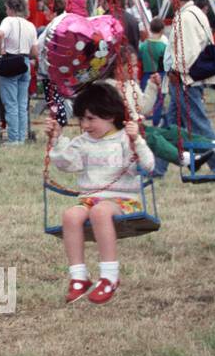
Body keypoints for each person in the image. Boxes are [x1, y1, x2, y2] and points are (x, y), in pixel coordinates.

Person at [43, 82, 155, 305]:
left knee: (100, 212)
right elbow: (66, 164)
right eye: (82, 119)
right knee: (70, 216)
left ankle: (110, 277)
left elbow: (149, 165)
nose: (85, 125)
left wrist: (137, 141)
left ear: (111, 116)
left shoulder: (125, 139)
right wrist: (56, 139)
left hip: (124, 200)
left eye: (91, 119)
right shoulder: (82, 143)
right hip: (91, 199)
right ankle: (78, 277)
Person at [154, 0, 215, 177]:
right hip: (187, 80)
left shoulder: (185, 17)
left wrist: (175, 71)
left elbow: (187, 51)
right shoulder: (196, 12)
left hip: (184, 80)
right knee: (169, 128)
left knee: (199, 126)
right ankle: (156, 168)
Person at [0, 0, 38, 144]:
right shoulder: (30, 25)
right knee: (22, 104)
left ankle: (14, 139)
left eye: (7, 8)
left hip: (10, 62)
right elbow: (34, 52)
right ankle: (21, 136)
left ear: (12, 9)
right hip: (25, 62)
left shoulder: (8, 21)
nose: (6, 11)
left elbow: (0, 34)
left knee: (11, 103)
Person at [139, 19, 168, 126]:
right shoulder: (163, 47)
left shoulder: (143, 45)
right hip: (160, 76)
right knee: (159, 102)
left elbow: (139, 57)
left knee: (146, 102)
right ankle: (156, 123)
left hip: (146, 76)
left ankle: (144, 123)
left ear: (150, 29)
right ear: (162, 30)